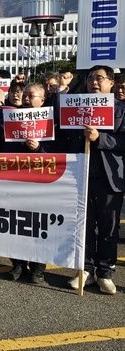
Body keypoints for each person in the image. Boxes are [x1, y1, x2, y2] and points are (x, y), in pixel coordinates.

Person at [67, 65, 124, 295]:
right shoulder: (76, 108)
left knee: (108, 228)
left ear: (111, 83)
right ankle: (86, 269)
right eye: (90, 79)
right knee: (84, 226)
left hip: (110, 178)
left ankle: (105, 272)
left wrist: (100, 138)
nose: (94, 83)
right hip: (81, 174)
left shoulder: (121, 109)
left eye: (100, 78)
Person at [4, 83, 50, 283]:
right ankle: (18, 264)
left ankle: (38, 268)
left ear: (42, 100)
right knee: (15, 222)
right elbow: (4, 146)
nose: (26, 98)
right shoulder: (14, 117)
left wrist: (39, 148)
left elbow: (59, 150)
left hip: (41, 180)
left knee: (39, 224)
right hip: (16, 177)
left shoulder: (50, 121)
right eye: (26, 95)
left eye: (32, 96)